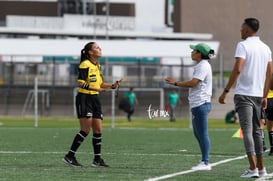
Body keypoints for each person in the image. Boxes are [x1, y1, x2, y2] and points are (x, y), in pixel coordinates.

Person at [218, 18, 272, 178]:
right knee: (257, 131)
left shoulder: (243, 45)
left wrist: (226, 90)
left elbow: (238, 68)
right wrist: (265, 95)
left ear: (247, 30)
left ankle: (253, 168)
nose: (240, 31)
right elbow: (270, 73)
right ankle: (262, 169)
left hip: (244, 95)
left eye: (242, 28)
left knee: (247, 131)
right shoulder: (266, 48)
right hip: (258, 95)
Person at [63, 42, 122, 167]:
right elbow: (80, 83)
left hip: (94, 99)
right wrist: (96, 90)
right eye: (96, 47)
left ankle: (97, 160)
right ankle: (70, 156)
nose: (100, 49)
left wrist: (112, 86)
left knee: (98, 130)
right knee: (85, 129)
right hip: (84, 98)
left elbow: (100, 84)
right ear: (90, 52)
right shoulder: (85, 64)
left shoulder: (98, 65)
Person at [165, 42, 214, 171]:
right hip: (198, 104)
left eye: (194, 51)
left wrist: (175, 83)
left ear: (199, 53)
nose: (191, 52)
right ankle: (204, 160)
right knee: (197, 133)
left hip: (201, 103)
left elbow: (193, 83)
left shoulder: (202, 66)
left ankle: (205, 162)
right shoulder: (202, 65)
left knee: (202, 134)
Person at [265, 79, 273, 155]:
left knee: (260, 123)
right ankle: (272, 148)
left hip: (264, 98)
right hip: (272, 99)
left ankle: (262, 146)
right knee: (271, 126)